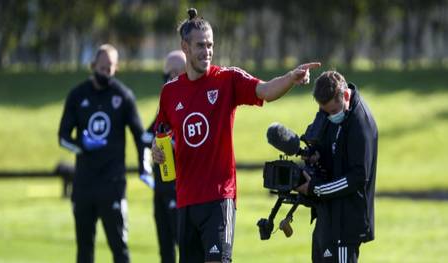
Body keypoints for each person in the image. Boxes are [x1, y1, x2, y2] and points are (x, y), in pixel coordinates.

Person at [151, 8, 321, 263]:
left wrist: (290, 78)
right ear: (184, 47)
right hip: (185, 198)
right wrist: (157, 150)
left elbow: (264, 90)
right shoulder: (170, 92)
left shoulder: (226, 79)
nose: (207, 51)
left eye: (210, 45)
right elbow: (161, 134)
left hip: (219, 198)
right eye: (200, 46)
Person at [58, 44, 150, 263]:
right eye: (101, 68)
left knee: (119, 247)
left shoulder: (123, 96)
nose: (105, 73)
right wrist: (82, 145)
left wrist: (144, 168)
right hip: (84, 184)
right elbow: (63, 136)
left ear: (116, 68)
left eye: (109, 68)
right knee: (84, 248)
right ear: (92, 66)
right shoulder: (77, 95)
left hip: (113, 184)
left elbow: (140, 136)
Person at [295, 71, 378, 263]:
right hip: (327, 217)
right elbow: (327, 148)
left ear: (346, 96)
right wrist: (315, 155)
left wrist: (315, 188)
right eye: (325, 111)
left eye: (333, 111)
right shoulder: (328, 113)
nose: (329, 116)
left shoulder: (360, 124)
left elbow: (358, 176)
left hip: (346, 224)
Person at [143, 50, 186, 263]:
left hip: (181, 189)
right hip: (161, 187)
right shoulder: (166, 104)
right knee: (165, 252)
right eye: (166, 75)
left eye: (175, 73)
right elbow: (147, 134)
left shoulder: (193, 103)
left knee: (185, 249)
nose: (170, 79)